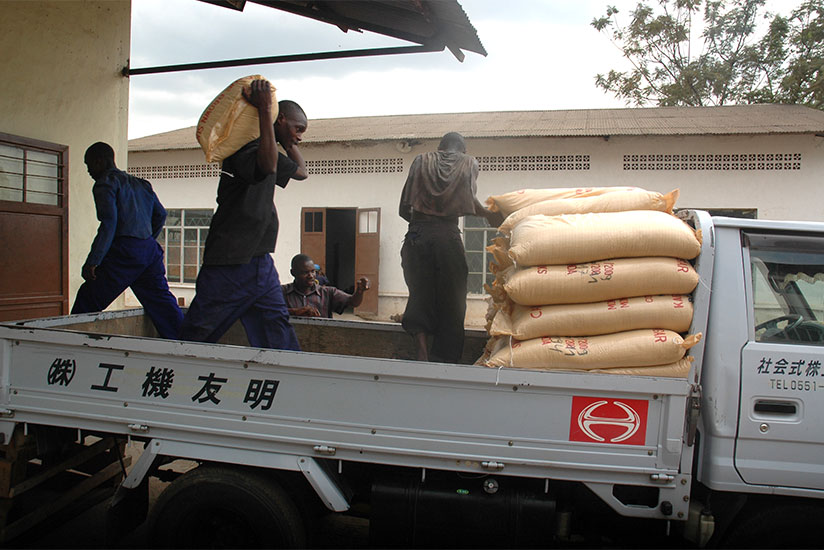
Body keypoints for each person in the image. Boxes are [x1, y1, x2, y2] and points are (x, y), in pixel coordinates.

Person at [179, 79, 307, 349]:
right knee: (198, 334)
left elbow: (301, 172)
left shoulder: (267, 149)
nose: (299, 136)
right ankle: (173, 378)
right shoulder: (245, 151)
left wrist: (288, 139)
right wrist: (264, 111)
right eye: (297, 129)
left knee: (277, 329)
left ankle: (287, 384)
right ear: (279, 119)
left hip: (259, 260)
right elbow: (269, 164)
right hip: (230, 260)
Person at [398, 132, 503, 363]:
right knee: (453, 300)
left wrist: (423, 225)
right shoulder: (469, 162)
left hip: (417, 233)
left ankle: (421, 350)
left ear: (440, 147)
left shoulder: (420, 160)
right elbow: (470, 201)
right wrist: (491, 216)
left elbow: (403, 208)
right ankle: (446, 360)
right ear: (463, 150)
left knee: (419, 293)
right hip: (447, 236)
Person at [71, 142, 183, 339]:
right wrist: (146, 240)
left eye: (89, 165)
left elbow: (109, 223)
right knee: (162, 303)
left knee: (87, 299)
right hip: (149, 251)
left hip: (125, 251)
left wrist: (93, 261)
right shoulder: (142, 184)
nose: (88, 171)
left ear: (99, 161)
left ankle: (69, 343)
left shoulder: (105, 183)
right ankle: (185, 343)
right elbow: (161, 214)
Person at [282, 254, 370, 318]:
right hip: (291, 341)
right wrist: (295, 311)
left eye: (313, 271)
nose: (311, 276)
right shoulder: (282, 292)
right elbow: (269, 312)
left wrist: (359, 292)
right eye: (305, 272)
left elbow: (353, 302)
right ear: (293, 273)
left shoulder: (328, 293)